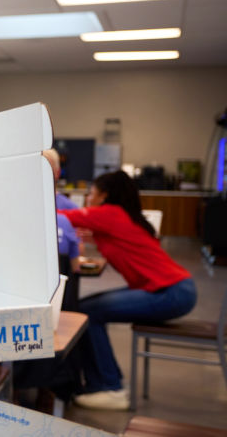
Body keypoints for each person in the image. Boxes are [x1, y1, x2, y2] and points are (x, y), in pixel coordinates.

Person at [60, 170, 196, 410]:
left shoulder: (108, 214)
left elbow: (61, 216)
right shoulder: (123, 216)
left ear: (103, 196)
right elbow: (112, 238)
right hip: (177, 288)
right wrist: (89, 236)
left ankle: (109, 387)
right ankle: (104, 382)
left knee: (86, 314)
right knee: (85, 310)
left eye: (91, 193)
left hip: (170, 292)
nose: (88, 198)